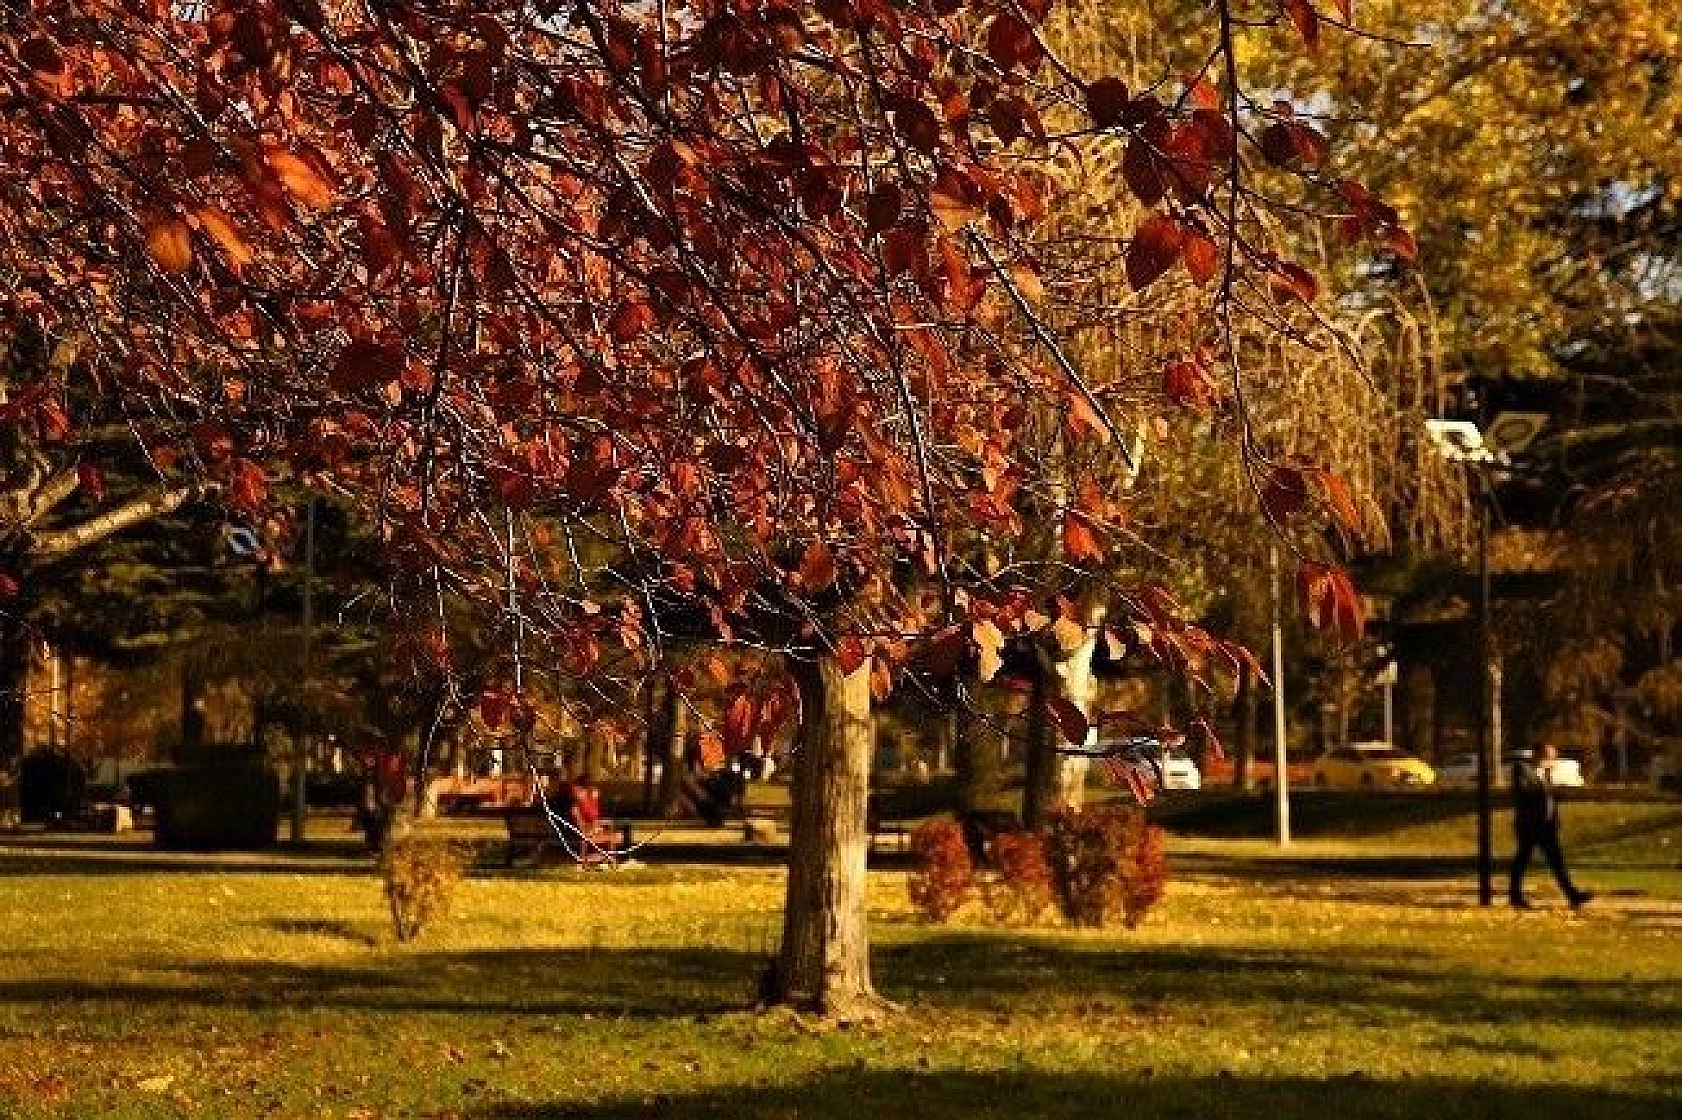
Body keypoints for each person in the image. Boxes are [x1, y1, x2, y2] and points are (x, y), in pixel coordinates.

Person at [1509, 744, 1594, 909]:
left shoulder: (1546, 775)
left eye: (1553, 756)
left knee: (1556, 862)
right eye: (1550, 756)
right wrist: (1544, 785)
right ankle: (1515, 896)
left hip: (1547, 826)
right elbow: (1524, 792)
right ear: (1540, 755)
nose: (1553, 759)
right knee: (1522, 860)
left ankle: (1572, 895)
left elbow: (1549, 799)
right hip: (1530, 824)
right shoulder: (1523, 769)